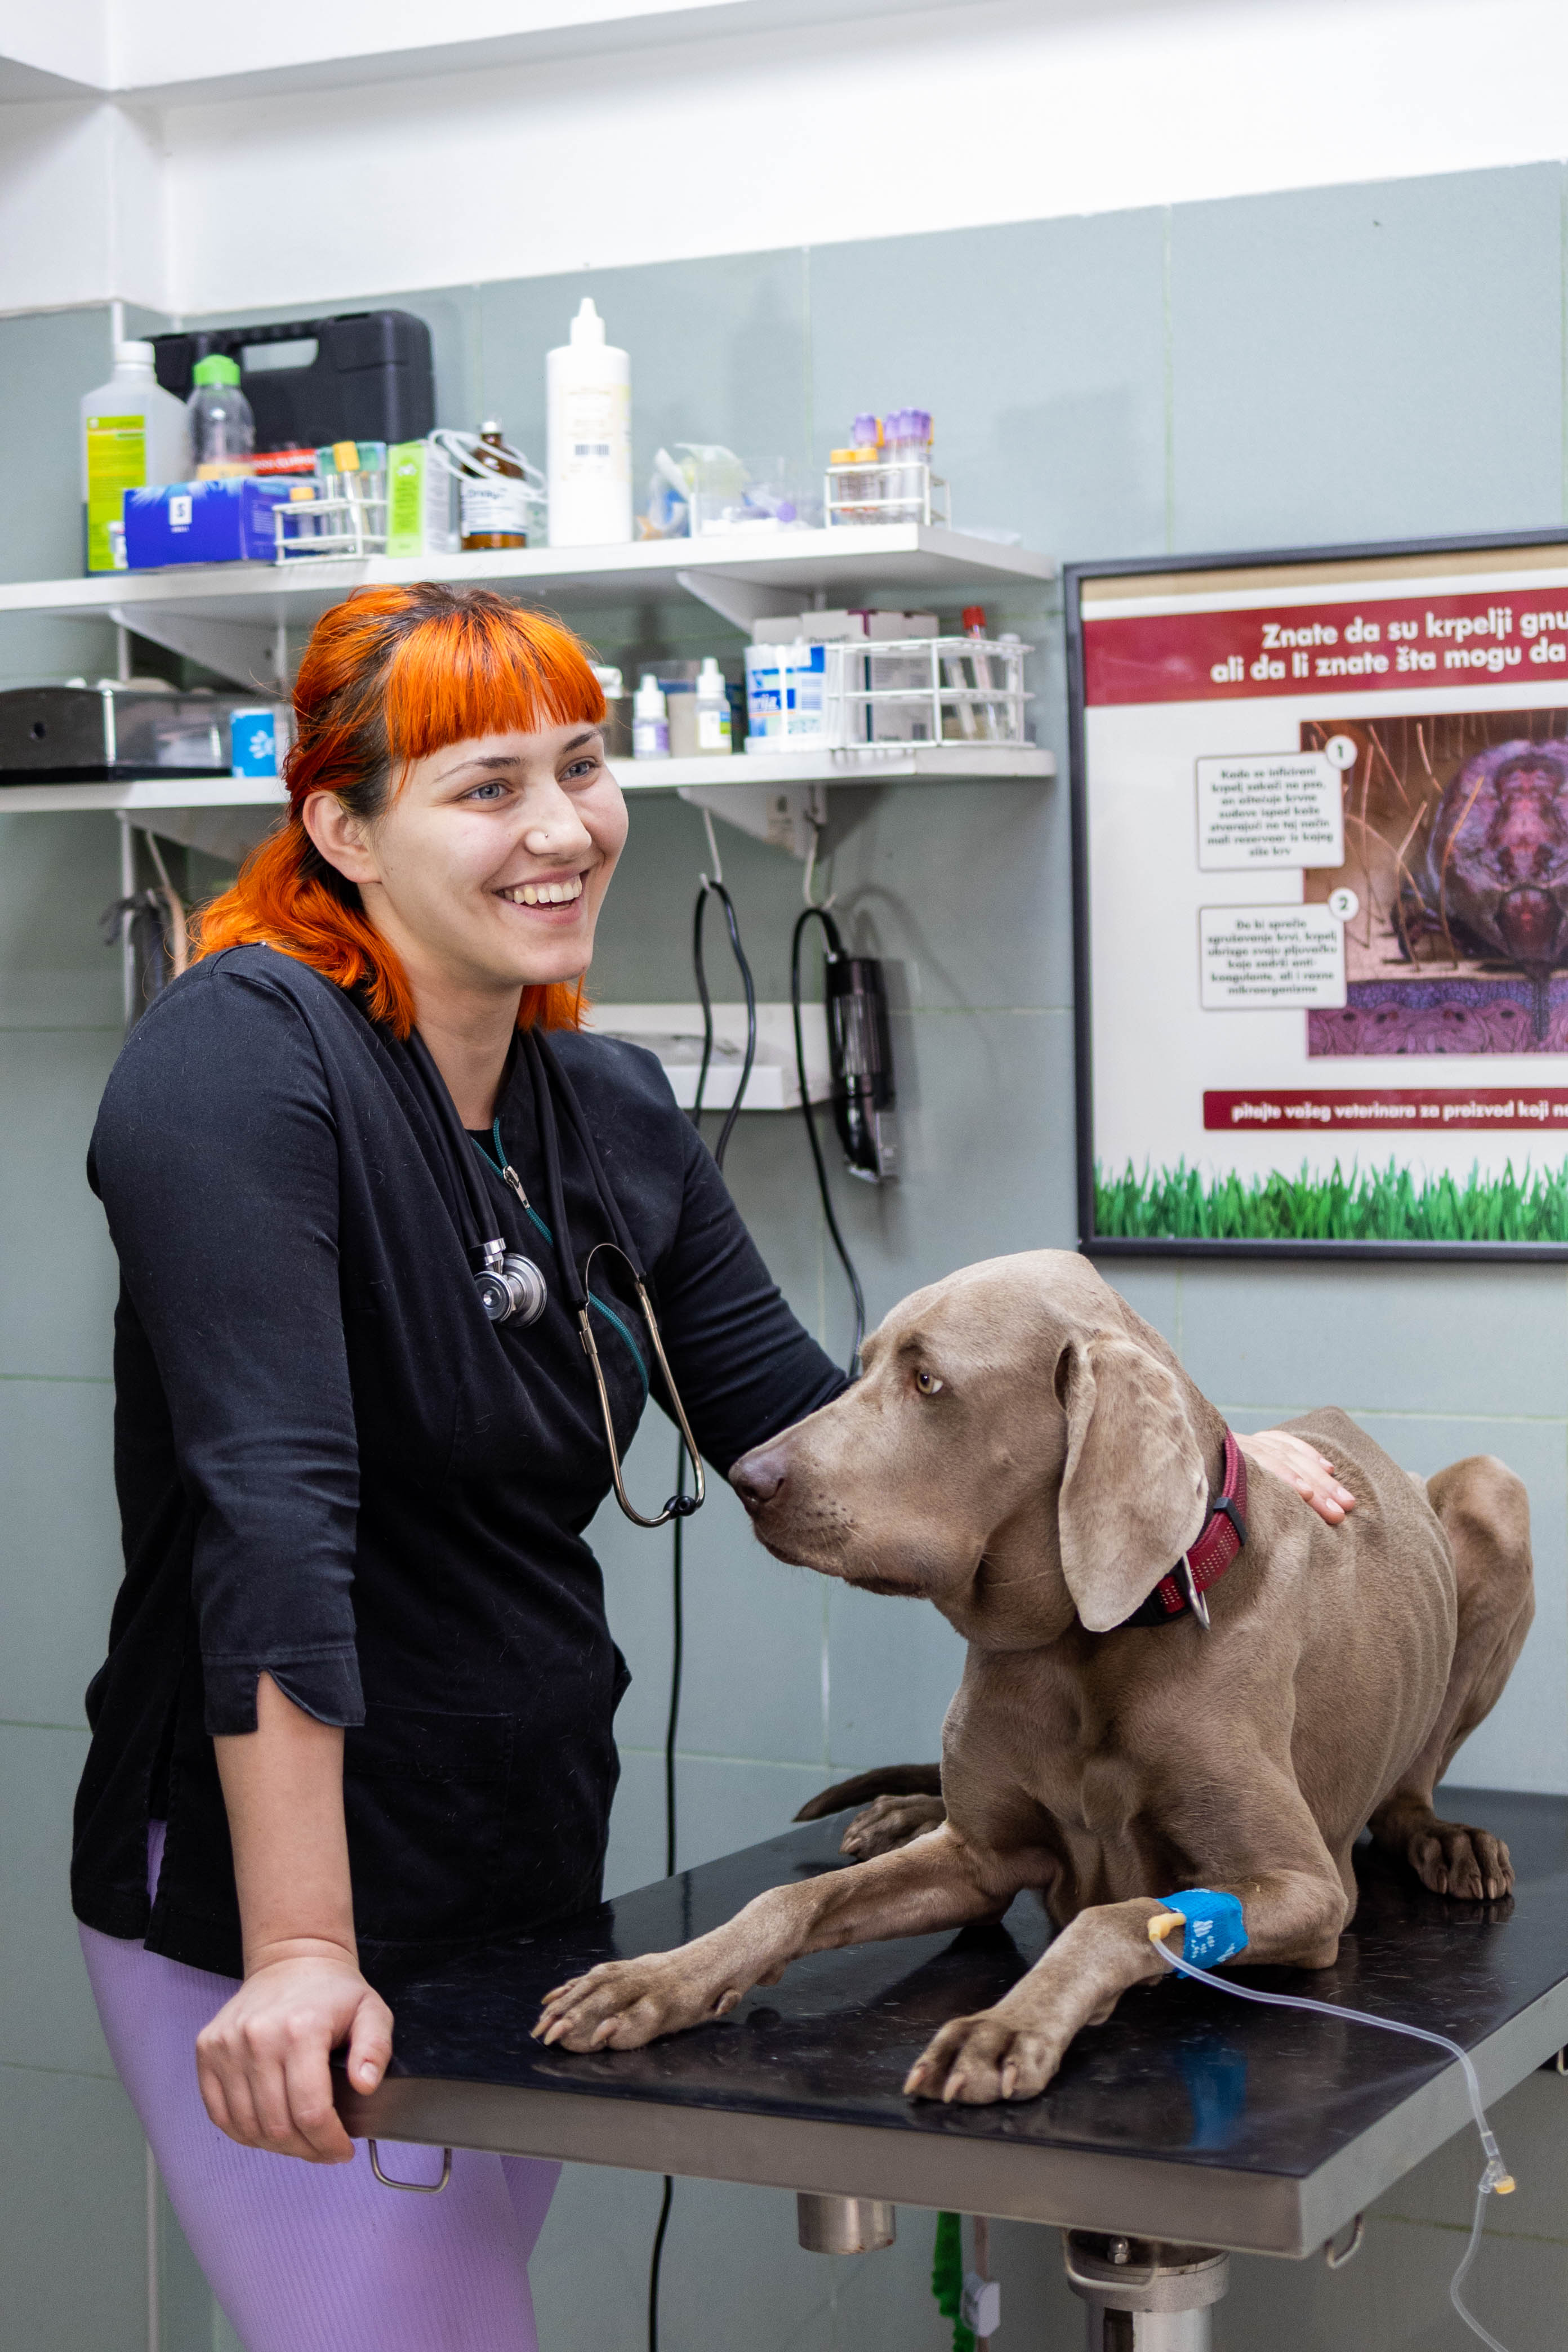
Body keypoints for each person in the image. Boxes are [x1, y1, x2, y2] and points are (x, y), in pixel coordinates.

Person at [70, 582, 1351, 2352]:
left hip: (515, 1871)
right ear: (340, 827)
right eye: (483, 784)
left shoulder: (599, 1110)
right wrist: (300, 1950)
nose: (559, 827)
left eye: (580, 768)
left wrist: (1192, 1466)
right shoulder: (236, 1062)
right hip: (270, 1904)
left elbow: (820, 1445)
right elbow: (271, 1525)